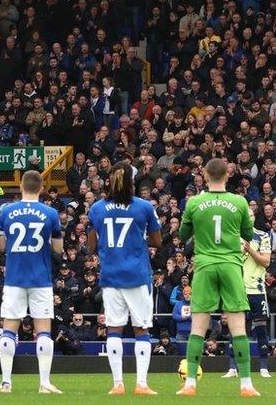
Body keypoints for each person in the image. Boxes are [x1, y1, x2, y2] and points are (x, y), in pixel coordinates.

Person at [177, 158, 259, 397]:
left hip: (204, 265)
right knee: (238, 327)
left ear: (204, 174)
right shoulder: (239, 201)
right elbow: (248, 234)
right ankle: (246, 385)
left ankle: (190, 383)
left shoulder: (194, 202)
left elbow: (183, 234)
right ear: (227, 175)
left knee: (198, 327)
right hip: (231, 265)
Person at [86, 161, 162, 395]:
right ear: (132, 181)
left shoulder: (97, 208)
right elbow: (157, 241)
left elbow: (91, 245)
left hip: (110, 276)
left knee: (114, 329)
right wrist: (138, 241)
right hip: (138, 276)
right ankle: (141, 384)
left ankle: (117, 384)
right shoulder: (143, 207)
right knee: (141, 329)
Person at [0, 170, 62, 394]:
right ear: (41, 188)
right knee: (43, 330)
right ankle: (44, 383)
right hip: (40, 278)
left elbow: (2, 246)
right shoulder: (50, 213)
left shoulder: (7, 211)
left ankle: (6, 382)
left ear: (21, 186)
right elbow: (58, 249)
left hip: (14, 277)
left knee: (9, 329)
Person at [224, 207, 272, 378]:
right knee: (236, 329)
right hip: (237, 289)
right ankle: (232, 367)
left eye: (251, 214)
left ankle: (264, 367)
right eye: (246, 214)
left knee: (260, 329)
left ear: (253, 218)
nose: (248, 217)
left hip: (257, 289)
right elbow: (227, 263)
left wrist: (250, 249)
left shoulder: (262, 236)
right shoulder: (230, 236)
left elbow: (266, 262)